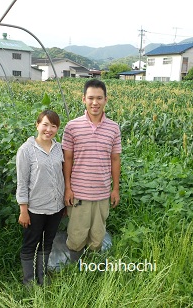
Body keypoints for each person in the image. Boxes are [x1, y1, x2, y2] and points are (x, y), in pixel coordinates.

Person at [62, 79, 122, 261]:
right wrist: (68, 188)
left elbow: (115, 159)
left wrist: (115, 189)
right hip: (79, 193)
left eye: (99, 98)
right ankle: (75, 271)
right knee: (76, 235)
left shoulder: (113, 128)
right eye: (90, 98)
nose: (94, 102)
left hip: (102, 193)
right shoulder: (72, 126)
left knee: (97, 236)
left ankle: (91, 269)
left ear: (106, 100)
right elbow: (67, 160)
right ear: (83, 99)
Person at [16, 110, 65, 285]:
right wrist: (23, 210)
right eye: (45, 124)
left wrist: (64, 203)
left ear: (57, 129)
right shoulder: (26, 150)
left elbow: (63, 176)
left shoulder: (59, 148)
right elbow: (22, 182)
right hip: (35, 208)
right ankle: (29, 280)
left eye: (53, 126)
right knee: (30, 243)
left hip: (56, 207)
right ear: (37, 125)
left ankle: (42, 276)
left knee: (47, 243)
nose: (49, 129)